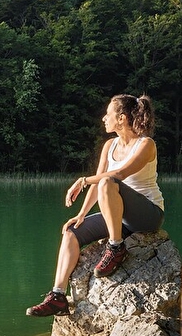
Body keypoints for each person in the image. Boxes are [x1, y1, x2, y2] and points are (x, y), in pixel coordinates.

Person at [26, 94, 164, 317]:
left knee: (109, 182)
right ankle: (58, 296)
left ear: (121, 118)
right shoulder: (110, 145)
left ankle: (116, 247)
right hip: (120, 217)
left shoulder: (146, 144)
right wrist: (81, 214)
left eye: (108, 114)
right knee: (71, 232)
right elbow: (99, 182)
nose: (103, 118)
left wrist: (83, 180)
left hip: (147, 215)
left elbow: (117, 175)